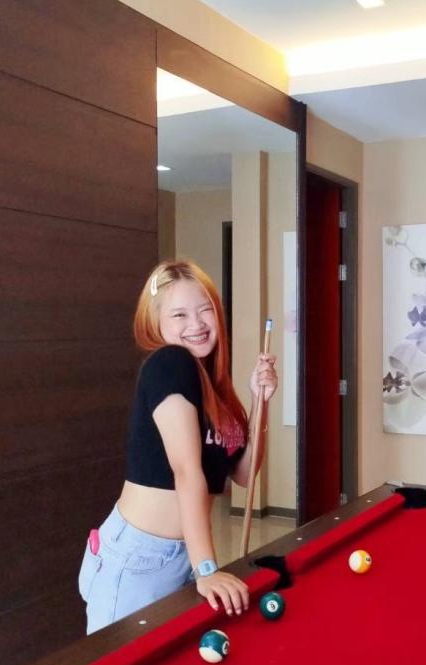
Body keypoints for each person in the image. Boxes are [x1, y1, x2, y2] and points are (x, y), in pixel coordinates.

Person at [78, 259, 278, 634]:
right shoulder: (170, 364)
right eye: (180, 315)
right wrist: (207, 569)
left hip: (181, 553)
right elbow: (186, 471)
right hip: (138, 558)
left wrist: (259, 402)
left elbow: (245, 473)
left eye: (205, 310)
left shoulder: (213, 387)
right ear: (156, 323)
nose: (196, 324)